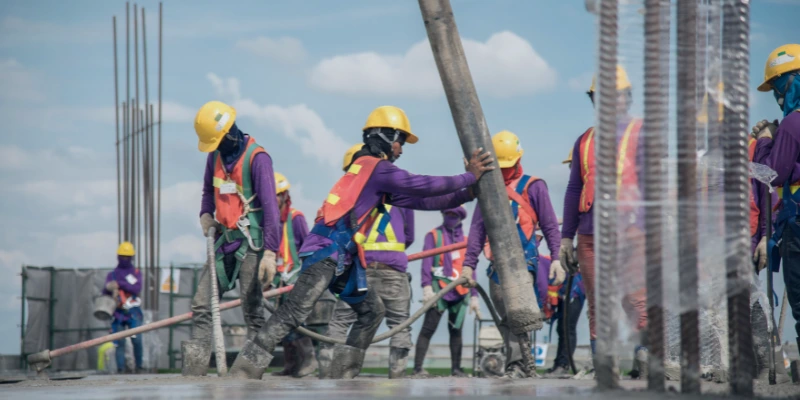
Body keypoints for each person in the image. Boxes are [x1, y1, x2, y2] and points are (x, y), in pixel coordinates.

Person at [228, 105, 494, 380]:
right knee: (294, 312)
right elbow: (422, 184)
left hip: (340, 259)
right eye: (400, 141)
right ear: (385, 137)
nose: (401, 150)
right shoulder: (375, 168)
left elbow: (423, 201)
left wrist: (467, 192)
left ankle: (345, 371)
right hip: (327, 253)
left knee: (371, 311)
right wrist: (469, 176)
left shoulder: (367, 173)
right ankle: (245, 371)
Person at [560, 65, 649, 378]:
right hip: (590, 236)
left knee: (635, 299)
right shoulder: (584, 141)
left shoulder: (642, 133)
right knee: (598, 303)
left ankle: (644, 358)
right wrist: (565, 239)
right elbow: (574, 190)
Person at [182, 101, 281, 376]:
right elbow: (207, 190)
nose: (214, 147)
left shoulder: (257, 159)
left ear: (228, 134)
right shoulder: (213, 157)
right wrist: (205, 213)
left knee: (253, 313)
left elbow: (272, 210)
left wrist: (271, 253)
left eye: (216, 141)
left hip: (251, 245)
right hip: (225, 242)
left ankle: (250, 374)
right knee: (202, 305)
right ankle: (195, 372)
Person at [462, 130, 565, 379]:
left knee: (517, 316)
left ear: (518, 160)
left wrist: (557, 259)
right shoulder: (487, 187)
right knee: (508, 319)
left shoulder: (534, 187)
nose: (505, 171)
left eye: (508, 166)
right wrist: (468, 265)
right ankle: (520, 366)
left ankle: (517, 366)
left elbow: (550, 225)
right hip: (496, 266)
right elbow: (477, 230)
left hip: (524, 264)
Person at [322, 144, 417, 379]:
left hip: (359, 270)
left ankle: (328, 376)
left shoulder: (348, 196)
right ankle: (397, 378)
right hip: (393, 270)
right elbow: (409, 236)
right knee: (399, 325)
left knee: (341, 321)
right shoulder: (401, 194)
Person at [753, 43, 800, 380]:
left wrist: (766, 141)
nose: (778, 97)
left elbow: (771, 175)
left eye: (778, 87)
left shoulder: (792, 124)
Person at [413, 206, 477, 377]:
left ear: (460, 218)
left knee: (456, 331)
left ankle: (456, 369)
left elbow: (471, 267)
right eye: (447, 213)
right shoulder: (433, 236)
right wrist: (426, 287)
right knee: (428, 329)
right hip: (439, 289)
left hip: (461, 292)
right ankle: (417, 368)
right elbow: (426, 261)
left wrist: (475, 296)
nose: (451, 217)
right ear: (442, 214)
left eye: (454, 215)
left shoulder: (466, 240)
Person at [271, 172, 319, 378]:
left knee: (297, 321)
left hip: (295, 278)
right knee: (282, 323)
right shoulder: (269, 220)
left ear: (283, 196)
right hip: (278, 280)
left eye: (274, 196)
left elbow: (307, 247)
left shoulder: (295, 218)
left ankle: (309, 361)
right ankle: (291, 364)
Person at [103, 241, 144, 374]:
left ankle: (139, 367)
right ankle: (120, 369)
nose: (125, 259)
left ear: (132, 257)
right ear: (118, 256)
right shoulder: (112, 275)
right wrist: (108, 288)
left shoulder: (136, 273)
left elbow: (136, 288)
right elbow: (105, 294)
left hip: (133, 311)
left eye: (127, 256)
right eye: (122, 256)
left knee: (137, 340)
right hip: (118, 313)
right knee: (119, 342)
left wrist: (120, 283)